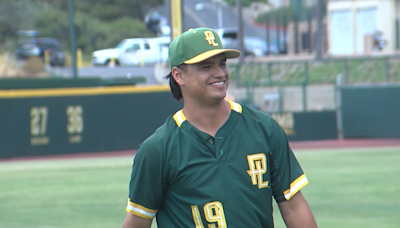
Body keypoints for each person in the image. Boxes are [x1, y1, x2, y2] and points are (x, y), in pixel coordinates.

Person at [122, 27, 318, 228]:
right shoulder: (157, 149)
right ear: (178, 76)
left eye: (222, 64)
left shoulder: (264, 129)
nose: (219, 73)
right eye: (205, 66)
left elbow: (293, 205)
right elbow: (137, 221)